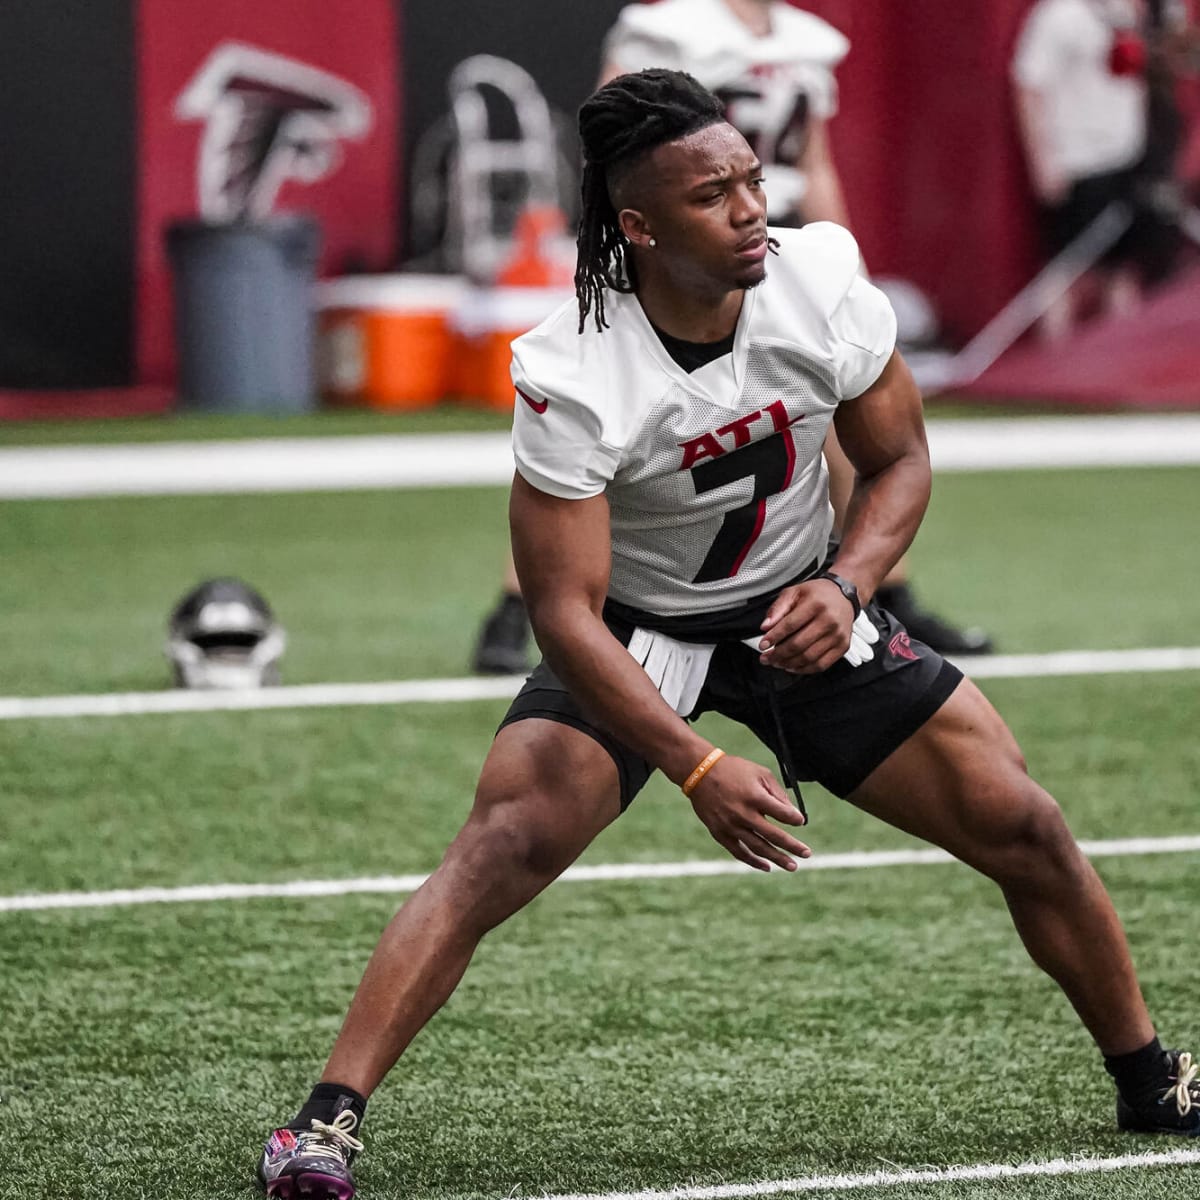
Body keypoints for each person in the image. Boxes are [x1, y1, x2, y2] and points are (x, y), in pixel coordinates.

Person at [259, 70, 1198, 1200]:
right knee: (498, 849)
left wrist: (849, 585)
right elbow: (561, 610)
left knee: (1027, 827)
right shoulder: (574, 370)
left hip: (803, 606)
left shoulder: (822, 282)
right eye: (715, 195)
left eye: (752, 179)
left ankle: (1152, 1079)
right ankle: (320, 1127)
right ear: (641, 225)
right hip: (639, 625)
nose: (753, 207)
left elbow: (899, 462)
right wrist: (695, 763)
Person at [473, 0, 991, 676]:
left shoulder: (807, 42)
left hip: (774, 236)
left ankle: (881, 587)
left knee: (837, 414)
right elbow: (611, 147)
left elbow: (817, 164)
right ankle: (520, 602)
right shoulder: (669, 29)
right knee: (592, 439)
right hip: (685, 250)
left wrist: (849, 265)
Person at [1012, 0, 1183, 338]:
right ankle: (1053, 359)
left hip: (1127, 156)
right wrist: (1042, 161)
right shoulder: (1058, 15)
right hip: (1078, 159)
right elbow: (1028, 87)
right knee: (1065, 267)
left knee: (1122, 267)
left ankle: (1119, 355)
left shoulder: (1127, 14)